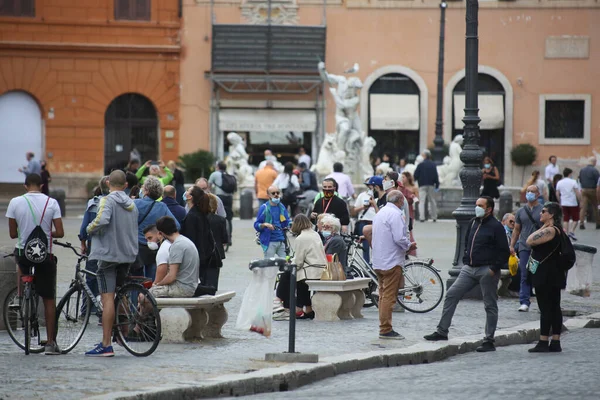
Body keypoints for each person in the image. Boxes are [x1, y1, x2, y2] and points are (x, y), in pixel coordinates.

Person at [424, 196, 509, 352]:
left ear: (489, 209)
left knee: (490, 304)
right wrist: (465, 259)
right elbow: (467, 242)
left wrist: (493, 269)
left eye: (480, 205)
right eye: (476, 205)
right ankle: (442, 331)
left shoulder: (496, 227)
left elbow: (504, 251)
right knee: (451, 294)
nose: (477, 208)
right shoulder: (473, 222)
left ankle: (489, 340)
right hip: (469, 269)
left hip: (487, 270)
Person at [6, 173, 64, 355]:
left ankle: (20, 295)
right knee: (48, 299)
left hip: (24, 254)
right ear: (41, 186)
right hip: (44, 255)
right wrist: (46, 234)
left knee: (19, 263)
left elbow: (13, 234)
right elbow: (60, 232)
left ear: (25, 186)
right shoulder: (52, 203)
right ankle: (50, 343)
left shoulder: (15, 202)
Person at [85, 170, 138, 357]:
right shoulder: (132, 203)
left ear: (108, 183)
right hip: (127, 255)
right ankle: (120, 334)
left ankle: (106, 344)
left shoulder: (107, 200)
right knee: (119, 294)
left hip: (109, 256)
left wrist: (89, 229)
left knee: (107, 299)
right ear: (125, 185)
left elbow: (102, 220)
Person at [372, 190, 417, 340]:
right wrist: (409, 245)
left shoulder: (380, 213)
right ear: (400, 201)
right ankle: (385, 329)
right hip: (391, 261)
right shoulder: (396, 214)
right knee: (388, 297)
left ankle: (384, 326)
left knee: (383, 295)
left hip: (379, 260)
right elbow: (399, 237)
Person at [526, 202, 567, 353]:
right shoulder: (558, 230)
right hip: (554, 274)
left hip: (546, 275)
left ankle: (543, 341)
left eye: (544, 211)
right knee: (554, 307)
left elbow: (529, 240)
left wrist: (544, 226)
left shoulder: (550, 231)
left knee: (546, 308)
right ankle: (555, 341)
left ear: (551, 215)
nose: (541, 213)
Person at [276, 214, 326, 320]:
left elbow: (298, 261)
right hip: (320, 269)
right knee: (296, 277)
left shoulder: (301, 238)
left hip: (311, 270)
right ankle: (307, 308)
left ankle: (283, 304)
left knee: (287, 274)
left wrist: (289, 263)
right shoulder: (315, 234)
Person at [133, 176, 180, 280]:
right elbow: (176, 225)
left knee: (135, 278)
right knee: (152, 278)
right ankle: (149, 295)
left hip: (136, 246)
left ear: (146, 191)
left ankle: (134, 296)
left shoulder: (135, 204)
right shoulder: (162, 206)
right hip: (154, 246)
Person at [79, 176, 110, 316]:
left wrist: (83, 243)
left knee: (90, 276)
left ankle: (86, 309)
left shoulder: (93, 203)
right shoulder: (118, 203)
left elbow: (84, 227)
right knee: (107, 277)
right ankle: (104, 308)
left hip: (94, 246)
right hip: (111, 246)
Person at [510, 185, 543, 312]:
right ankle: (524, 301)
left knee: (538, 274)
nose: (529, 193)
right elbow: (516, 230)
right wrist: (512, 245)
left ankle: (541, 301)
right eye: (528, 191)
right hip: (524, 247)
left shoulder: (542, 210)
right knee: (525, 273)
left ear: (538, 194)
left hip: (539, 248)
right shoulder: (520, 211)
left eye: (532, 191)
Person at [181, 187, 221, 290]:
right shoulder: (199, 213)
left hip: (198, 259)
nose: (185, 192)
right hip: (203, 257)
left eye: (188, 190)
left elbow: (191, 240)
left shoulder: (193, 216)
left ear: (190, 197)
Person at [152, 216, 199, 297]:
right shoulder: (186, 240)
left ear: (160, 233)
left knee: (145, 296)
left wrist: (158, 284)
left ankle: (142, 310)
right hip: (192, 286)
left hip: (182, 288)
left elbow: (171, 276)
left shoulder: (177, 246)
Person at [254, 186, 291, 258]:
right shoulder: (264, 208)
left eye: (278, 193)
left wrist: (292, 225)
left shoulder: (282, 207)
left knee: (285, 265)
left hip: (281, 241)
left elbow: (287, 221)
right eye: (273, 193)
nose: (276, 195)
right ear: (268, 195)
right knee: (269, 266)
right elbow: (256, 225)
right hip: (269, 242)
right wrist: (265, 224)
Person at [352, 178, 379, 263]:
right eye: (369, 185)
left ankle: (376, 263)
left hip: (375, 222)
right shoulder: (362, 195)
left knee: (376, 245)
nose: (371, 187)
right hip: (364, 221)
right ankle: (367, 265)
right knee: (365, 246)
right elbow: (354, 210)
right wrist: (364, 207)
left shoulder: (380, 196)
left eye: (373, 185)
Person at [208, 161, 234, 246]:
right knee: (229, 218)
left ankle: (221, 237)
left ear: (218, 167)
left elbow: (209, 187)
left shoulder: (214, 174)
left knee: (219, 216)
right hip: (229, 198)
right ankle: (229, 238)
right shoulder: (229, 175)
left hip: (220, 197)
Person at [207, 193, 228, 285]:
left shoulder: (201, 218)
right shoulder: (221, 220)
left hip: (204, 249)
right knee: (215, 271)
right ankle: (213, 286)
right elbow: (224, 237)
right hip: (217, 249)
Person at [555, 168, 581, 240]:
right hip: (573, 203)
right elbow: (577, 192)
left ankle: (565, 234)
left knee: (565, 219)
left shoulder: (560, 182)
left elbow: (557, 193)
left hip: (564, 202)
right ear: (570, 174)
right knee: (576, 218)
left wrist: (559, 201)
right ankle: (571, 231)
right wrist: (580, 200)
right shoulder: (573, 182)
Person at [413, 149, 439, 222]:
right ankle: (434, 217)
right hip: (431, 185)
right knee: (432, 201)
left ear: (424, 156)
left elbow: (415, 175)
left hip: (422, 185)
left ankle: (422, 217)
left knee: (422, 201)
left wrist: (415, 181)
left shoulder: (420, 165)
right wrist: (437, 184)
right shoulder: (433, 164)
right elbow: (436, 175)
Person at [578, 157, 599, 230]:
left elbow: (580, 179)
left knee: (583, 207)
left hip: (584, 189)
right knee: (595, 206)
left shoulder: (582, 170)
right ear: (594, 162)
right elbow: (598, 182)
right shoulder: (595, 170)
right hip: (592, 189)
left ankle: (581, 223)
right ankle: (598, 223)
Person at [501, 212, 520, 295]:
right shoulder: (501, 232)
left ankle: (527, 290)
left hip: (512, 258)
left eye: (514, 222)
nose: (513, 223)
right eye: (511, 221)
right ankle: (513, 288)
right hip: (503, 260)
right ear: (503, 222)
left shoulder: (515, 233)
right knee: (518, 267)